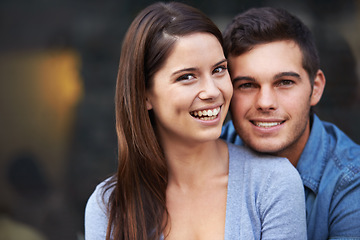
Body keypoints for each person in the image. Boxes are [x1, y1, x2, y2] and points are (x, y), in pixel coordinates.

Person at [85, 2, 306, 240]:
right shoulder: (109, 205)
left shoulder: (272, 184)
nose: (212, 91)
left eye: (219, 70)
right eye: (187, 76)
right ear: (144, 94)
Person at [221, 7, 360, 240]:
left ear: (315, 88)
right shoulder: (208, 152)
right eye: (246, 85)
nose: (265, 103)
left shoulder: (351, 181)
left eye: (284, 82)